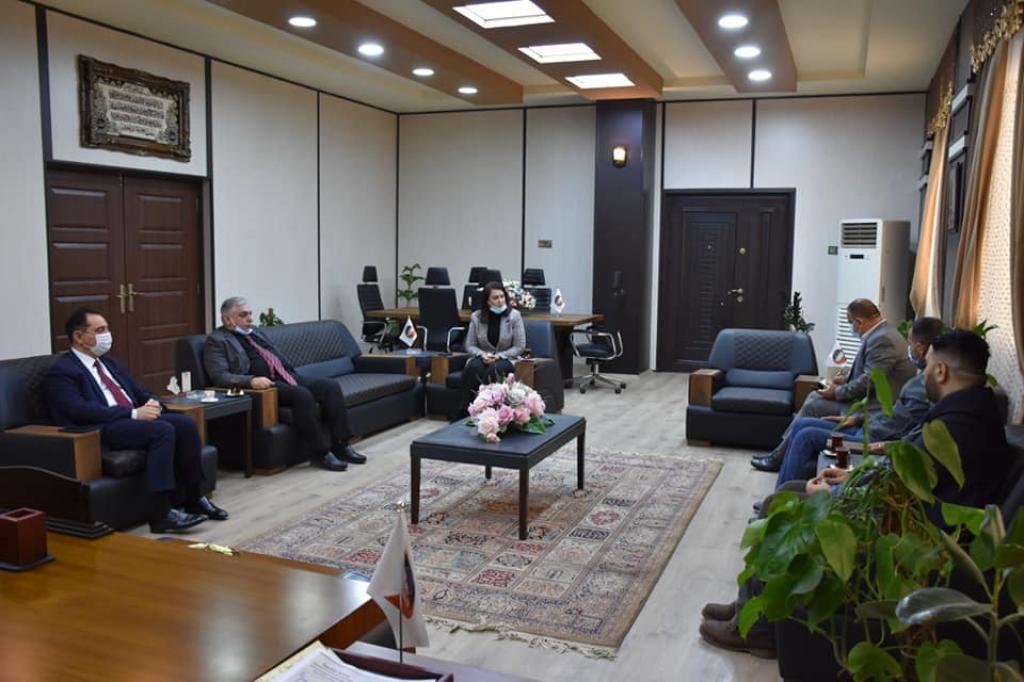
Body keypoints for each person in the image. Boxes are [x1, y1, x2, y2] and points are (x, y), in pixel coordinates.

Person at [700, 329, 1012, 658]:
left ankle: (757, 630)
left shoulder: (956, 427)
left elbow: (899, 485)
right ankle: (748, 604)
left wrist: (832, 493)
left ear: (941, 371)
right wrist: (851, 475)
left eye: (928, 366)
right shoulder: (973, 411)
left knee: (780, 504)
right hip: (910, 514)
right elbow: (908, 471)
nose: (923, 375)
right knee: (790, 491)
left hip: (912, 533)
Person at [45, 307, 227, 533]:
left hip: (129, 420)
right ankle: (161, 514)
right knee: (162, 431)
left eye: (107, 329)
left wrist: (153, 403)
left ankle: (194, 497)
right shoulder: (62, 370)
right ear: (78, 336)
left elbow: (140, 391)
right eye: (100, 330)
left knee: (185, 423)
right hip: (99, 428)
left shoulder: (110, 363)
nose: (107, 335)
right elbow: (78, 410)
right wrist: (132, 414)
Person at [772, 317, 944, 489]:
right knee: (802, 423)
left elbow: (903, 427)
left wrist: (884, 444)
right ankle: (779, 488)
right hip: (867, 427)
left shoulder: (925, 387)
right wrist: (857, 419)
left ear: (920, 349)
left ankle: (784, 493)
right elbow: (896, 413)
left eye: (910, 343)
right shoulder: (920, 378)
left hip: (872, 439)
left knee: (806, 436)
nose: (908, 348)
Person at [752, 298, 917, 472]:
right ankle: (780, 454)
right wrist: (844, 380)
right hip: (867, 402)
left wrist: (837, 392)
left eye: (850, 323)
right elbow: (871, 374)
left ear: (859, 322)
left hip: (873, 409)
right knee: (814, 397)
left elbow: (869, 381)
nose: (851, 328)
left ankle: (779, 457)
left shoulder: (882, 339)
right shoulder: (882, 333)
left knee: (814, 405)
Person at [203, 297, 364, 472]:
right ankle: (321, 453)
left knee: (330, 386)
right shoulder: (217, 340)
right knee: (301, 394)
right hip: (266, 386)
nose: (249, 318)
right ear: (227, 319)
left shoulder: (255, 332)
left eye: (250, 314)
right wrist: (250, 380)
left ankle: (341, 444)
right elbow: (219, 376)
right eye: (243, 315)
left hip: (287, 376)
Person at [457, 281, 527, 415]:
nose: (500, 300)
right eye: (495, 298)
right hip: (483, 356)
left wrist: (499, 356)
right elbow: (470, 345)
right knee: (473, 367)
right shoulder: (476, 317)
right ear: (487, 301)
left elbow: (519, 346)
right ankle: (464, 411)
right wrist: (482, 355)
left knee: (494, 369)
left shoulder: (514, 316)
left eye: (502, 296)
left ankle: (485, 411)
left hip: (506, 358)